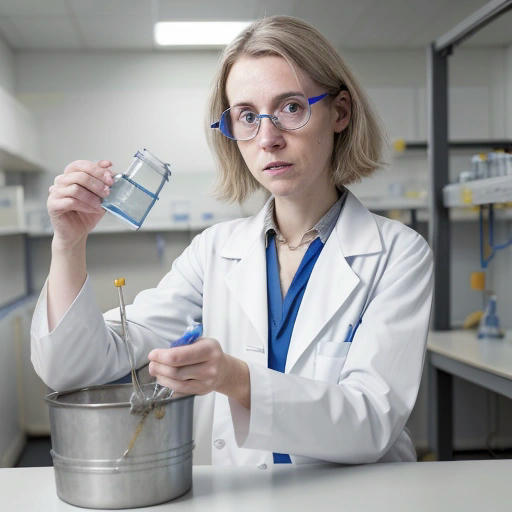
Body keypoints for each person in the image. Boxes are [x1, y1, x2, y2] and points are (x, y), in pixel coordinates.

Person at [31, 16, 433, 467]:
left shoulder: (400, 253)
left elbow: (373, 420)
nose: (268, 138)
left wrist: (237, 380)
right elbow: (78, 368)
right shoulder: (214, 252)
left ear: (339, 112)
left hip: (360, 496)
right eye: (246, 116)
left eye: (291, 107)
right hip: (241, 495)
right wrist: (68, 243)